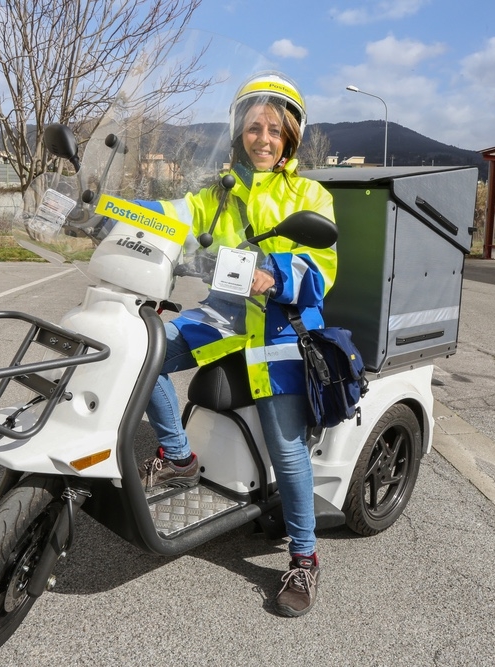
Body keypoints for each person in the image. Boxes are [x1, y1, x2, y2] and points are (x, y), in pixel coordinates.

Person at [137, 71, 337, 617]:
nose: (264, 139)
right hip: (223, 317)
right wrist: (117, 212)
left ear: (291, 136)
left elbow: (322, 269)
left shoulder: (309, 194)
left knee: (288, 452)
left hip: (280, 330)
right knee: (143, 349)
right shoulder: (219, 190)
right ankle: (179, 457)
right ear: (238, 132)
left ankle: (304, 557)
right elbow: (176, 214)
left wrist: (276, 277)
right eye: (254, 127)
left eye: (275, 129)